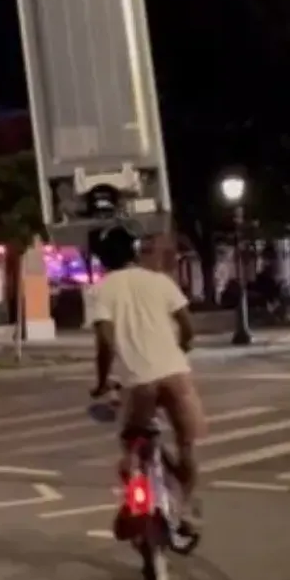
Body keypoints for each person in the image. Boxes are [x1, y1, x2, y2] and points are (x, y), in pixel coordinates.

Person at [87, 224, 206, 531]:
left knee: (131, 444)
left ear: (102, 259)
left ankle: (131, 504)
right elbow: (188, 327)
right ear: (135, 252)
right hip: (175, 373)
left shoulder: (101, 289)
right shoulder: (160, 281)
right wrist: (180, 348)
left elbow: (105, 342)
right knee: (186, 446)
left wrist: (101, 382)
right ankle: (187, 510)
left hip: (137, 381)